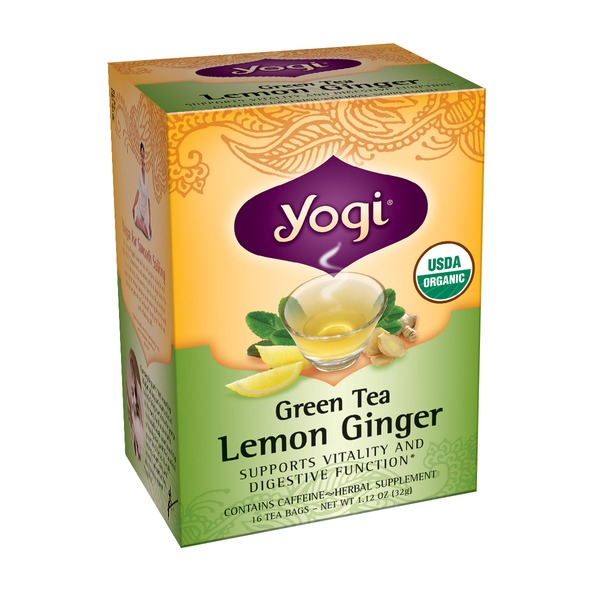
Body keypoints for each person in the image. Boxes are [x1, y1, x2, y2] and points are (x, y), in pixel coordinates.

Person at [132, 142, 152, 239]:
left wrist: (150, 223)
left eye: (143, 152)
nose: (142, 155)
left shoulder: (148, 177)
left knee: (148, 236)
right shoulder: (139, 173)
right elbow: (138, 191)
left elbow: (149, 201)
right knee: (136, 220)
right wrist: (133, 206)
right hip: (139, 208)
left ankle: (144, 226)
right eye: (141, 152)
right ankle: (141, 224)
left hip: (145, 212)